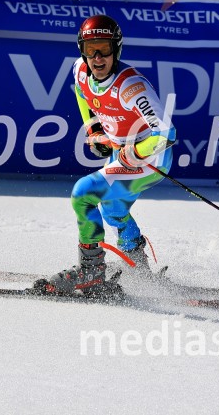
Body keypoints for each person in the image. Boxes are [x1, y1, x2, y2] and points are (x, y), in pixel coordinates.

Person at [42, 15, 176, 296]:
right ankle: (138, 269)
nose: (98, 58)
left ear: (117, 49)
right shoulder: (80, 70)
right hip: (121, 151)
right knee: (113, 210)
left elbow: (166, 134)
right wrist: (93, 127)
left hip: (151, 158)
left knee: (84, 193)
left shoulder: (131, 86)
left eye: (104, 48)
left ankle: (90, 270)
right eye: (91, 49)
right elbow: (82, 92)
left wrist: (134, 153)